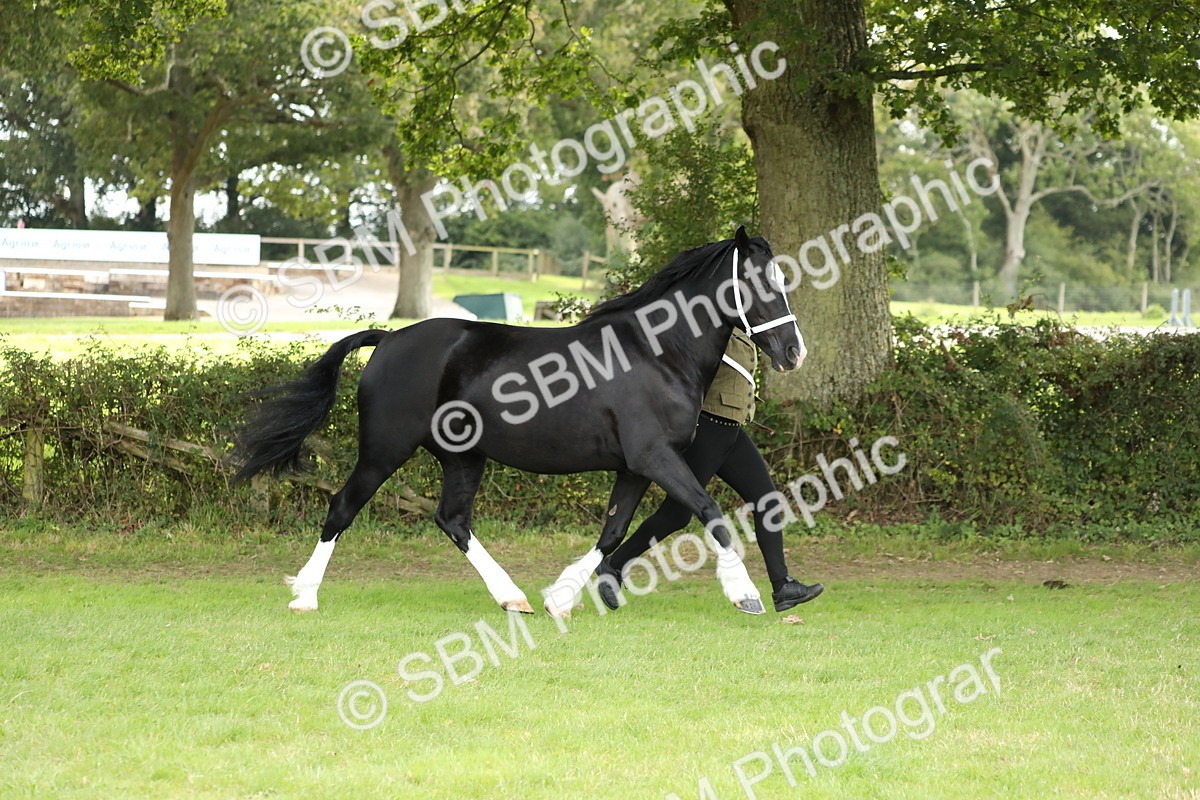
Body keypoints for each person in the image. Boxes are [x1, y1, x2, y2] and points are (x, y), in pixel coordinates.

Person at [596, 329, 824, 614]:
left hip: (732, 431)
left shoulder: (744, 329)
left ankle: (783, 587)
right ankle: (614, 565)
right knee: (676, 515)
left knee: (767, 501)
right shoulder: (712, 327)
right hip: (707, 428)